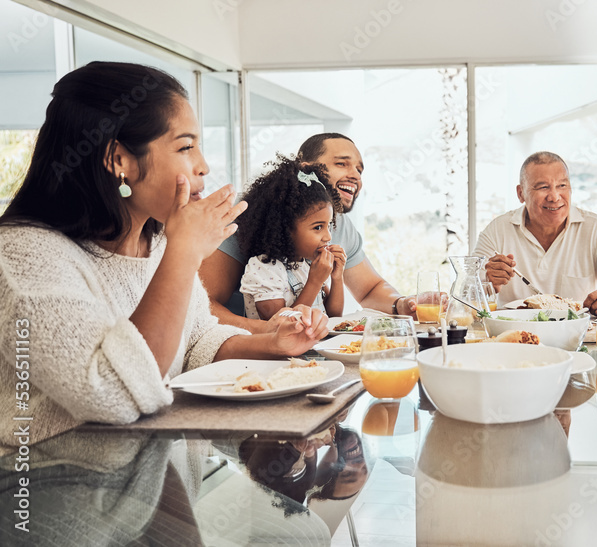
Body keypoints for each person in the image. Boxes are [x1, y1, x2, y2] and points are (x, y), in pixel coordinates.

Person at [0, 62, 328, 448]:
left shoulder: (155, 244)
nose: (203, 165)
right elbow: (114, 393)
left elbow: (196, 339)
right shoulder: (23, 258)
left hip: (152, 486)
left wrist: (272, 344)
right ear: (118, 159)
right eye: (186, 146)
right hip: (56, 493)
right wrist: (184, 252)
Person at [200, 133, 416, 333]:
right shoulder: (249, 213)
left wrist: (403, 304)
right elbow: (203, 304)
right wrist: (267, 334)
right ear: (305, 169)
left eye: (359, 170)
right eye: (342, 163)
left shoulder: (340, 224)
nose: (355, 176)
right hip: (242, 349)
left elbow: (370, 289)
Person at [474, 151, 597, 312]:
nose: (554, 197)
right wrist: (486, 283)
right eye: (543, 187)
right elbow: (464, 296)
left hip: (580, 343)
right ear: (521, 194)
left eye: (562, 186)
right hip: (516, 341)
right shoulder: (497, 231)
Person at [237, 155, 346, 320]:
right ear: (285, 229)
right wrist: (314, 282)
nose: (328, 236)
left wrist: (337, 277)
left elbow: (334, 316)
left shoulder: (307, 264)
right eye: (318, 227)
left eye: (329, 225)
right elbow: (280, 325)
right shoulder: (264, 269)